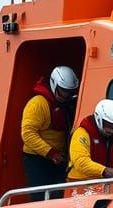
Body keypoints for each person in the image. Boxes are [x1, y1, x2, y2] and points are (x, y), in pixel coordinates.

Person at [21, 65, 79, 198]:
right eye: (63, 91)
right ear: (54, 86)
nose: (66, 96)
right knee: (40, 196)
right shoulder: (38, 104)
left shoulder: (66, 105)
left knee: (60, 192)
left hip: (59, 158)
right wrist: (50, 153)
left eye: (70, 92)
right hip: (37, 159)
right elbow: (28, 134)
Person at [67, 99, 113, 181]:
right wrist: (104, 170)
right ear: (98, 119)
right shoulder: (82, 134)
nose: (110, 130)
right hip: (79, 182)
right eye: (107, 124)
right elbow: (80, 161)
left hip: (104, 183)